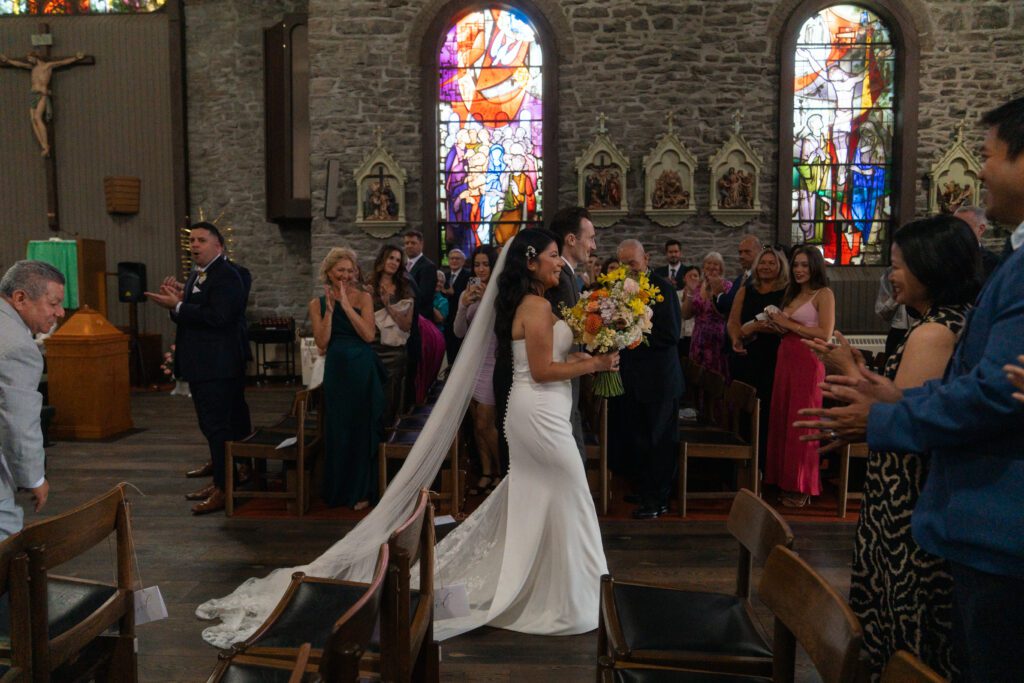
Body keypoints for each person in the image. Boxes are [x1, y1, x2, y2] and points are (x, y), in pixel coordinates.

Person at [795, 97, 1024, 682]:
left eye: (989, 156)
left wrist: (884, 416)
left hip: (989, 523)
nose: (980, 171)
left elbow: (997, 392)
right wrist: (891, 398)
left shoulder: (963, 308)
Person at [813, 216, 979, 678]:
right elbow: (902, 395)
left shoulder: (935, 330)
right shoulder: (946, 320)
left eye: (898, 264)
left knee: (905, 616)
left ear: (932, 266)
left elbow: (896, 420)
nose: (891, 275)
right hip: (916, 492)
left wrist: (846, 366)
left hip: (906, 497)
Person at [146, 222, 252, 515]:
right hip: (203, 363)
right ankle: (220, 479)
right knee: (210, 425)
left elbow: (219, 317)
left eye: (201, 240)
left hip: (217, 364)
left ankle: (224, 487)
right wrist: (178, 302)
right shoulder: (198, 274)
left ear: (218, 246)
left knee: (219, 426)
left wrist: (178, 306)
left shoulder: (227, 275)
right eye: (191, 240)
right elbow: (198, 312)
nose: (194, 245)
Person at [610, 239, 683, 519]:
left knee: (660, 440)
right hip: (634, 377)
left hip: (660, 379)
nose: (628, 269)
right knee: (639, 437)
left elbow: (671, 334)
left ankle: (659, 498)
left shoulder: (662, 289)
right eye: (623, 264)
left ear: (647, 258)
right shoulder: (621, 290)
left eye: (633, 263)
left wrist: (632, 331)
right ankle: (644, 488)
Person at [309, 248, 384, 510]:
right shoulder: (316, 303)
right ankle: (339, 490)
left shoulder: (364, 297)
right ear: (329, 272)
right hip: (337, 369)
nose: (346, 275)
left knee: (361, 428)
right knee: (338, 428)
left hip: (361, 367)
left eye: (350, 270)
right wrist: (330, 311)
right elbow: (321, 342)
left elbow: (368, 335)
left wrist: (346, 307)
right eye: (341, 270)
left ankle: (363, 491)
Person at [763, 245, 834, 508]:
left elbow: (825, 333)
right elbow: (791, 329)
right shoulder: (793, 294)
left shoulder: (823, 293)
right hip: (786, 358)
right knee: (784, 418)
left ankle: (801, 484)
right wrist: (777, 325)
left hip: (808, 361)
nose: (799, 270)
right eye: (796, 265)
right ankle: (782, 479)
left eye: (805, 265)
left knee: (802, 420)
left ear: (815, 266)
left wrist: (788, 324)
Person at [0, 261, 64, 538]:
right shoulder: (17, 346)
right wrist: (34, 478)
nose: (59, 313)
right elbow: (17, 421)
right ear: (20, 298)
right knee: (7, 536)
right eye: (53, 303)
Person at [727, 246, 789, 460]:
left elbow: (785, 325)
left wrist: (753, 327)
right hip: (747, 355)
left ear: (780, 267)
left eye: (772, 263)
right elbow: (733, 320)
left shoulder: (786, 292)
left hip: (773, 357)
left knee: (769, 411)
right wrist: (736, 338)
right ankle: (746, 461)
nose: (766, 267)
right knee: (746, 410)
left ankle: (765, 462)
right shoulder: (747, 289)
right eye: (763, 262)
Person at [545, 206, 597, 460]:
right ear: (571, 239)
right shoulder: (561, 279)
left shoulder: (568, 276)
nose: (593, 245)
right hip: (561, 376)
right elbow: (561, 336)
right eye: (590, 238)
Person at [453, 246, 500, 495]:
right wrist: (462, 304)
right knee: (476, 424)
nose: (481, 270)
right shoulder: (467, 293)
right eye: (477, 265)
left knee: (485, 423)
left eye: (485, 264)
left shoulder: (500, 294)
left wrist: (487, 300)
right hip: (472, 364)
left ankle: (501, 471)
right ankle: (485, 471)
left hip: (492, 361)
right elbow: (459, 331)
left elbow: (499, 329)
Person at [0, 51, 86, 157]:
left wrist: (76, 58)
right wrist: (8, 60)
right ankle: (43, 145)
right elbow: (19, 64)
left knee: (37, 117)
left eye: (30, 58)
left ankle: (46, 145)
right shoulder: (32, 68)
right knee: (32, 120)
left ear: (36, 57)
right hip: (33, 94)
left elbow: (63, 62)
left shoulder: (47, 66)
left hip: (42, 94)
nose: (29, 61)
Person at [367, 244, 414, 429]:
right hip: (372, 349)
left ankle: (389, 443)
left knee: (391, 401)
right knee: (372, 399)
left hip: (394, 352)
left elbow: (406, 325)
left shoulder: (405, 288)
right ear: (381, 260)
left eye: (397, 259)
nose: (394, 262)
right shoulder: (369, 286)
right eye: (390, 258)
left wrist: (388, 305)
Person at [681, 251, 731, 377]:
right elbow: (686, 315)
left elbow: (724, 314)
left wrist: (713, 292)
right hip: (698, 337)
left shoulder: (726, 286)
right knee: (697, 376)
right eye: (708, 263)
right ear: (703, 267)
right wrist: (690, 292)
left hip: (717, 339)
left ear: (721, 268)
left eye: (716, 264)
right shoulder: (697, 286)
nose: (711, 267)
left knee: (714, 377)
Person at [403, 229, 438, 406]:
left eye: (413, 243)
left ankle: (416, 399)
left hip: (420, 321)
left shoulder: (428, 266)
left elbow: (424, 296)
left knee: (418, 365)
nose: (409, 246)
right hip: (404, 322)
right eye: (407, 243)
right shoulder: (402, 266)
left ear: (421, 244)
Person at [713, 234, 761, 317]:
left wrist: (719, 293)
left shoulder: (761, 278)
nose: (741, 256)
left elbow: (732, 305)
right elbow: (725, 308)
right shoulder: (740, 278)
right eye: (740, 252)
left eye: (747, 252)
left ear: (760, 252)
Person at [954, 205, 1001, 281]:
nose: (954, 232)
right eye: (953, 227)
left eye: (962, 227)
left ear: (981, 229)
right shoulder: (941, 255)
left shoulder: (993, 263)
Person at [442, 248, 470, 364]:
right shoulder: (443, 275)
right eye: (452, 258)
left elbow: (473, 294)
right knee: (450, 354)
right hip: (447, 320)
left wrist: (454, 294)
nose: (454, 261)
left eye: (457, 259)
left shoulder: (470, 275)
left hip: (462, 320)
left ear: (463, 261)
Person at [677, 265, 700, 357]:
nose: (693, 278)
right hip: (680, 335)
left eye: (696, 276)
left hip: (695, 335)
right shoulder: (676, 294)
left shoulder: (702, 296)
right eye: (690, 276)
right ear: (684, 278)